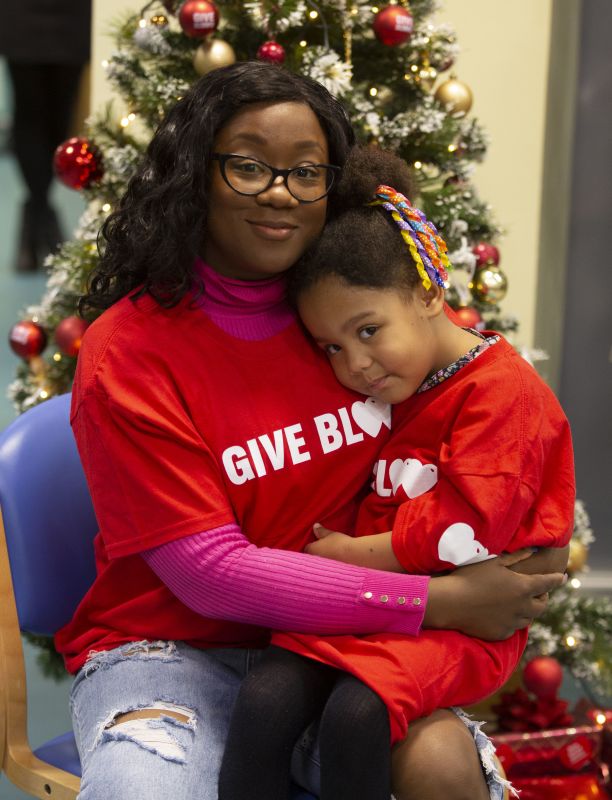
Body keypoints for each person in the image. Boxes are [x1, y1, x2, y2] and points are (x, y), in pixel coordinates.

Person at [55, 62, 568, 800]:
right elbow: (211, 574)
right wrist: (443, 602)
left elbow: (494, 435)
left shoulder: (358, 315)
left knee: (440, 769)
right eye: (248, 166)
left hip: (348, 650)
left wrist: (528, 555)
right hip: (173, 653)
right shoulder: (128, 351)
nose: (280, 192)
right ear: (195, 173)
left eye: (306, 172)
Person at [218, 145, 575, 800]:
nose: (355, 364)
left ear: (429, 291)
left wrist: (347, 556)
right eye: (332, 346)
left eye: (368, 330)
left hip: (463, 621)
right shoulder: (403, 386)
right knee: (265, 703)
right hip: (379, 608)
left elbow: (464, 538)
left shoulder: (503, 396)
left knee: (358, 714)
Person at [0, 0, 91, 271]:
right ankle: (42, 215)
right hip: (21, 13)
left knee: (60, 119)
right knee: (28, 115)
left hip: (72, 17)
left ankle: (34, 218)